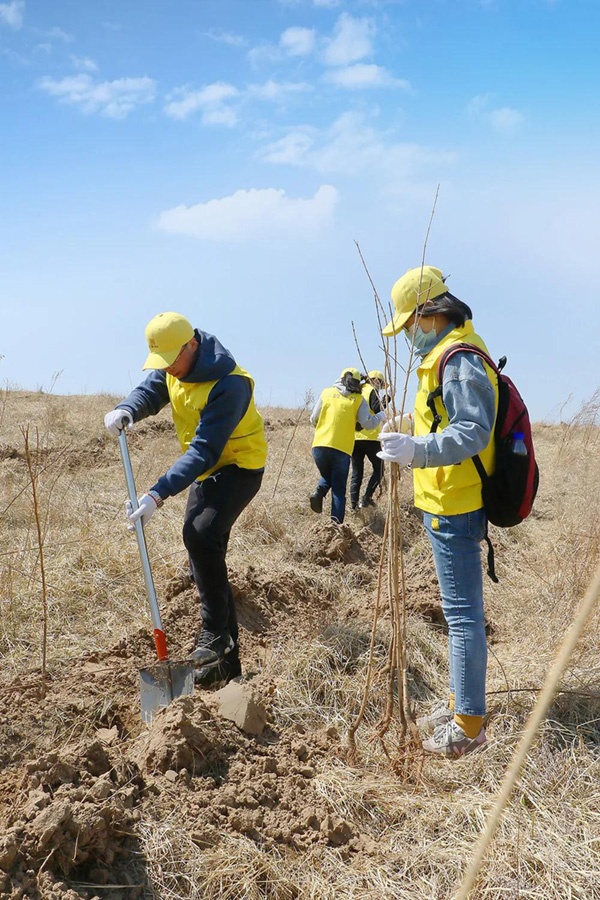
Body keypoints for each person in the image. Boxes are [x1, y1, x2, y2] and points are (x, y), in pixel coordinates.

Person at [104, 312, 267, 687]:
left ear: (191, 344)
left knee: (201, 534)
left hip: (241, 466)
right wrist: (128, 407)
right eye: (161, 363)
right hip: (210, 470)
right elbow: (152, 389)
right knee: (201, 549)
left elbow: (204, 451)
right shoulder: (174, 366)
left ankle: (215, 633)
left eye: (171, 360)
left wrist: (157, 493)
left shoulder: (231, 384)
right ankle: (226, 660)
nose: (167, 369)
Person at [378, 266, 498, 758]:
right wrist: (407, 427)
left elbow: (473, 430)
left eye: (409, 323)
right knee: (458, 614)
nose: (408, 333)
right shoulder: (445, 356)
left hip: (456, 502)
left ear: (430, 315)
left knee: (463, 616)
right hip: (442, 499)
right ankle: (459, 704)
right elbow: (441, 417)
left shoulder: (458, 360)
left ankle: (468, 726)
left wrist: (417, 452)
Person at [309, 368, 385, 524]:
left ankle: (320, 490)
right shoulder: (357, 399)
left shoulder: (326, 393)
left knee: (329, 476)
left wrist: (324, 427)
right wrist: (381, 415)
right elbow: (368, 424)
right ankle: (336, 528)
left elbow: (313, 418)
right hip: (342, 449)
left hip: (319, 446)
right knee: (338, 489)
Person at [350, 370, 393, 510]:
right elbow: (377, 408)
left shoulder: (356, 391)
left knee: (357, 473)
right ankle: (366, 497)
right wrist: (388, 397)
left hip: (355, 438)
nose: (380, 387)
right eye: (380, 383)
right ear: (375, 381)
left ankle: (353, 506)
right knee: (379, 469)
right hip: (370, 438)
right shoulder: (371, 391)